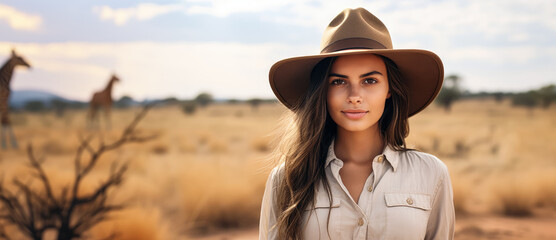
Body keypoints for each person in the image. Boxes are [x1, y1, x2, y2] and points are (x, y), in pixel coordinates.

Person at [259, 7, 455, 240]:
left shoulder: (431, 174)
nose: (354, 95)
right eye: (339, 81)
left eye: (370, 80)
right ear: (322, 91)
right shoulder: (287, 179)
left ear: (389, 89)